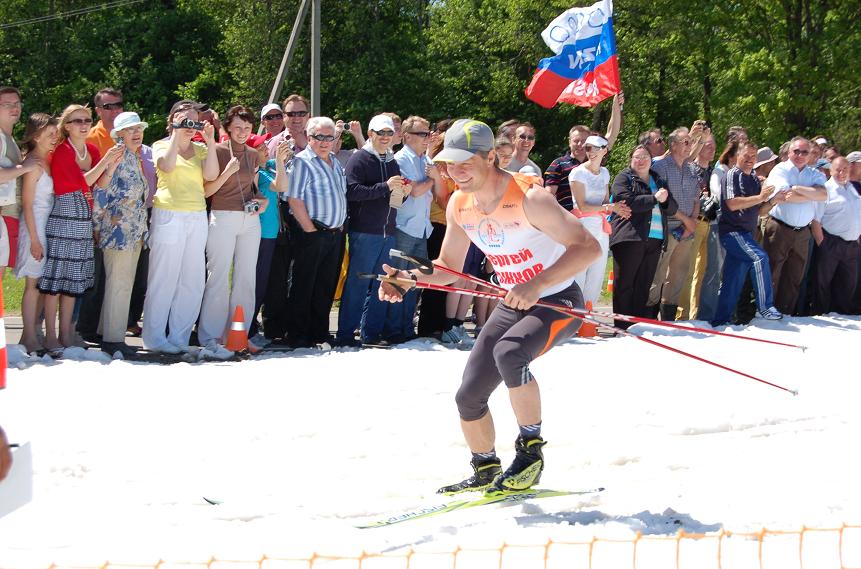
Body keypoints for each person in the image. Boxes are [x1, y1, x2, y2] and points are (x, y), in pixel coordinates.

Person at [379, 119, 601, 494]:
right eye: (449, 163)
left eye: (466, 162)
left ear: (490, 158)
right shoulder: (460, 206)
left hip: (558, 300)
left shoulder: (530, 198)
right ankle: (484, 467)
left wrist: (537, 283)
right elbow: (448, 267)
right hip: (514, 301)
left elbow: (588, 248)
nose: (456, 171)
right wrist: (410, 279)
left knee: (510, 352)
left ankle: (530, 454)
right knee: (469, 395)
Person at [40, 105, 120, 352]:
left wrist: (112, 166)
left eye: (87, 120)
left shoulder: (92, 150)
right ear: (66, 126)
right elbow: (80, 182)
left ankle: (67, 333)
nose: (84, 125)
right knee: (56, 281)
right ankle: (50, 335)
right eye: (76, 121)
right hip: (64, 215)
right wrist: (105, 161)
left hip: (83, 216)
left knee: (73, 281)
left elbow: (100, 183)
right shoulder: (62, 151)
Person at [141, 100, 219, 354]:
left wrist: (209, 140)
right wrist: (177, 132)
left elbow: (211, 176)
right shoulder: (161, 145)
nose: (190, 126)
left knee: (192, 279)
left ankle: (179, 337)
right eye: (186, 120)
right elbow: (166, 166)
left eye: (194, 120)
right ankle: (154, 338)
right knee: (164, 278)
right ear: (173, 119)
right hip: (169, 213)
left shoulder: (200, 149)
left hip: (196, 216)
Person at [199, 105, 268, 357]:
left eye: (247, 128)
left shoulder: (252, 154)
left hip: (249, 220)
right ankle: (210, 337)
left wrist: (263, 201)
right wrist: (227, 170)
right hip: (223, 216)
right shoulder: (216, 150)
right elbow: (207, 188)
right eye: (237, 127)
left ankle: (238, 335)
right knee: (217, 277)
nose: (242, 132)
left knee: (246, 278)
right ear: (227, 127)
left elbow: (253, 189)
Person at [336, 114, 406, 346]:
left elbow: (392, 199)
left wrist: (400, 195)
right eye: (381, 133)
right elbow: (353, 192)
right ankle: (346, 334)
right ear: (370, 134)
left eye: (389, 133)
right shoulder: (360, 159)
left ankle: (371, 334)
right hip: (365, 231)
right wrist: (385, 187)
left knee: (382, 283)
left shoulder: (391, 160)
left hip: (387, 232)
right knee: (358, 283)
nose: (386, 137)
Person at [92, 112, 152, 357]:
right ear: (119, 135)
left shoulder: (133, 157)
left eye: (138, 128)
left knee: (121, 282)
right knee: (120, 284)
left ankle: (106, 332)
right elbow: (101, 191)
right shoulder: (116, 156)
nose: (136, 133)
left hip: (133, 231)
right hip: (117, 231)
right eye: (130, 130)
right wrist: (97, 226)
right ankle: (113, 339)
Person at [284, 116, 348, 347]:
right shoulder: (302, 162)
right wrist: (310, 230)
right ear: (309, 138)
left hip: (334, 233)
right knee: (304, 284)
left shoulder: (335, 161)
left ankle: (319, 332)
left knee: (325, 285)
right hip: (312, 232)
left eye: (329, 137)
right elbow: (294, 199)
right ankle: (298, 335)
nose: (324, 142)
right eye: (319, 137)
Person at [711, 142, 783, 326]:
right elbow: (732, 204)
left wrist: (773, 200)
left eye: (753, 156)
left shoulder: (752, 177)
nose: (751, 160)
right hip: (733, 233)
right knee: (760, 258)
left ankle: (720, 322)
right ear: (737, 156)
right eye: (746, 156)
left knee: (732, 281)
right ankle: (765, 307)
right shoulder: (730, 175)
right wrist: (760, 197)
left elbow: (759, 210)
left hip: (746, 234)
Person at [609, 146, 677, 328]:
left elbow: (672, 208)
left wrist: (665, 200)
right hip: (630, 238)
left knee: (643, 286)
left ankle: (637, 327)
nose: (641, 160)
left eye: (645, 156)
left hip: (655, 239)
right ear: (631, 160)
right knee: (625, 285)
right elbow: (626, 201)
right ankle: (622, 327)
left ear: (651, 159)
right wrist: (655, 198)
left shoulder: (658, 178)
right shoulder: (624, 178)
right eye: (637, 157)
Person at [263, 94, 310, 341]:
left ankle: (297, 326)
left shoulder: (318, 142)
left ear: (308, 115)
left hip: (308, 215)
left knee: (303, 274)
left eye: (300, 113)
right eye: (290, 114)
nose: (295, 119)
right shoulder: (274, 143)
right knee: (277, 274)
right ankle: (273, 327)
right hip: (281, 214)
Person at [762, 136, 827, 315]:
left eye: (804, 152)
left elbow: (823, 194)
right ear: (789, 152)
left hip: (802, 233)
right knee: (773, 273)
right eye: (796, 151)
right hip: (779, 228)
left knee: (794, 276)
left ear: (809, 155)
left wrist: (797, 188)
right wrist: (810, 193)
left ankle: (786, 313)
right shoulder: (780, 169)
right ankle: (766, 312)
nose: (799, 155)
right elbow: (785, 196)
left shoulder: (814, 173)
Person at [391, 115, 441, 341]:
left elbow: (436, 193)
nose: (427, 137)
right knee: (398, 281)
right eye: (423, 134)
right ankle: (392, 329)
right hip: (404, 227)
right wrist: (433, 178)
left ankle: (405, 329)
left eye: (428, 133)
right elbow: (415, 191)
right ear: (407, 136)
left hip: (421, 228)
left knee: (414, 281)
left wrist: (433, 174)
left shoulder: (424, 160)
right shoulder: (401, 159)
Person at [568, 135, 631, 305]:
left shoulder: (605, 173)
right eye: (588, 148)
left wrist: (618, 208)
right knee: (580, 271)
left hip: (601, 226)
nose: (592, 152)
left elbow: (605, 201)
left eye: (596, 148)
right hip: (583, 225)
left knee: (597, 271)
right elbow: (582, 206)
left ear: (605, 150)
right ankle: (574, 314)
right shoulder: (578, 172)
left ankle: (588, 315)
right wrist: (610, 208)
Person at [647, 127, 702, 320]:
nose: (690, 146)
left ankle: (669, 318)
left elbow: (697, 197)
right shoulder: (661, 167)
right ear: (673, 145)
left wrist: (692, 221)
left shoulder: (692, 169)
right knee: (658, 274)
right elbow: (663, 200)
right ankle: (649, 316)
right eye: (686, 142)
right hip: (667, 227)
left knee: (678, 275)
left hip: (688, 229)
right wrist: (686, 221)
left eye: (691, 142)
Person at [15, 113, 59, 354]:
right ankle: (29, 336)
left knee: (41, 284)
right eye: (50, 134)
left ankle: (31, 333)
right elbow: (28, 205)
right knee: (32, 284)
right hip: (34, 225)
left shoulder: (47, 160)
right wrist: (33, 239)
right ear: (36, 135)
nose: (55, 138)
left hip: (46, 224)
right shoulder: (33, 163)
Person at [545, 93, 623, 211]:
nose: (580, 145)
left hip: (595, 220)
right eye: (576, 141)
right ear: (569, 141)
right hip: (568, 221)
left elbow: (612, 133)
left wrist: (616, 104)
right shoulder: (558, 164)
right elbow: (549, 197)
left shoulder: (596, 160)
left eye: (584, 141)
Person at [811, 157, 861, 314]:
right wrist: (822, 244)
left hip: (852, 244)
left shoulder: (852, 188)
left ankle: (843, 313)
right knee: (823, 282)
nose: (841, 173)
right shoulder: (826, 190)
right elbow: (815, 220)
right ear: (831, 171)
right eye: (838, 169)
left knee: (848, 283)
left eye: (845, 169)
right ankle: (820, 313)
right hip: (831, 242)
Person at [678, 131, 717, 320]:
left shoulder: (715, 171)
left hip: (711, 224)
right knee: (688, 270)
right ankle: (681, 315)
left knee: (703, 273)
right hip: (694, 221)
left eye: (713, 146)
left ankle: (696, 314)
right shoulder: (691, 169)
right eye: (707, 145)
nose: (712, 149)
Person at [0, 86, 35, 280]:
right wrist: (25, 167)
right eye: (7, 104)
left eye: (17, 103)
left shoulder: (9, 138)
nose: (14, 108)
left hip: (7, 216)